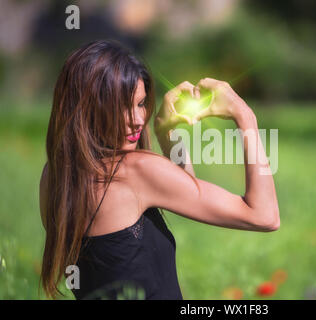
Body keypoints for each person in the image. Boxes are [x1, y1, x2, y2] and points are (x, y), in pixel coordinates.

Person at [39, 39, 279, 300]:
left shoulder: (54, 178)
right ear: (89, 108)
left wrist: (166, 130)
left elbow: (184, 191)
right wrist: (245, 116)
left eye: (141, 104)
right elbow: (265, 216)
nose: (138, 119)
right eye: (121, 106)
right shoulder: (135, 171)